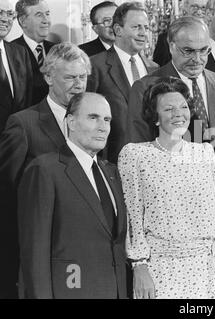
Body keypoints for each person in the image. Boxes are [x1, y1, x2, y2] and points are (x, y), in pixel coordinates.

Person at [118, 77, 215, 299]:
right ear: (155, 117)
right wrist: (139, 266)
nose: (178, 114)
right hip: (162, 269)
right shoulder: (135, 154)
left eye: (183, 107)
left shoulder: (204, 153)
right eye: (169, 109)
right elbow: (132, 217)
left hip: (208, 270)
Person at [0, 42, 90, 299]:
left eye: (82, 77)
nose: (78, 84)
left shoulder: (95, 120)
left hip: (83, 243)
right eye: (70, 77)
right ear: (48, 77)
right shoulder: (23, 124)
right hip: (40, 245)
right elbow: (6, 190)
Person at [18, 92, 128, 298]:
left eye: (107, 120)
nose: (102, 126)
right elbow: (35, 252)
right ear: (71, 122)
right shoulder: (44, 169)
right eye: (93, 117)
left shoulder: (112, 173)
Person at [127, 16, 215, 144]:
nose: (197, 59)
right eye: (188, 51)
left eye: (204, 50)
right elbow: (139, 147)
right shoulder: (144, 88)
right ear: (172, 47)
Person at [87, 1, 159, 163]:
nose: (143, 33)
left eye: (146, 28)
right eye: (136, 27)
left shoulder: (155, 69)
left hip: (152, 161)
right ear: (118, 30)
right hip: (113, 160)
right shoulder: (95, 66)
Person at [12, 0, 55, 105]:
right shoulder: (10, 52)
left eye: (47, 14)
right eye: (39, 15)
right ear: (23, 21)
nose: (46, 20)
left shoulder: (57, 49)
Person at [0, 0, 33, 134]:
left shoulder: (20, 52)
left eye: (9, 14)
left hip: (16, 137)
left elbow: (28, 98)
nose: (4, 19)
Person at [152, 0, 208, 67]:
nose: (199, 12)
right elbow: (160, 70)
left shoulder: (214, 38)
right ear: (185, 7)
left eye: (203, 8)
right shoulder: (165, 38)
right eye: (195, 7)